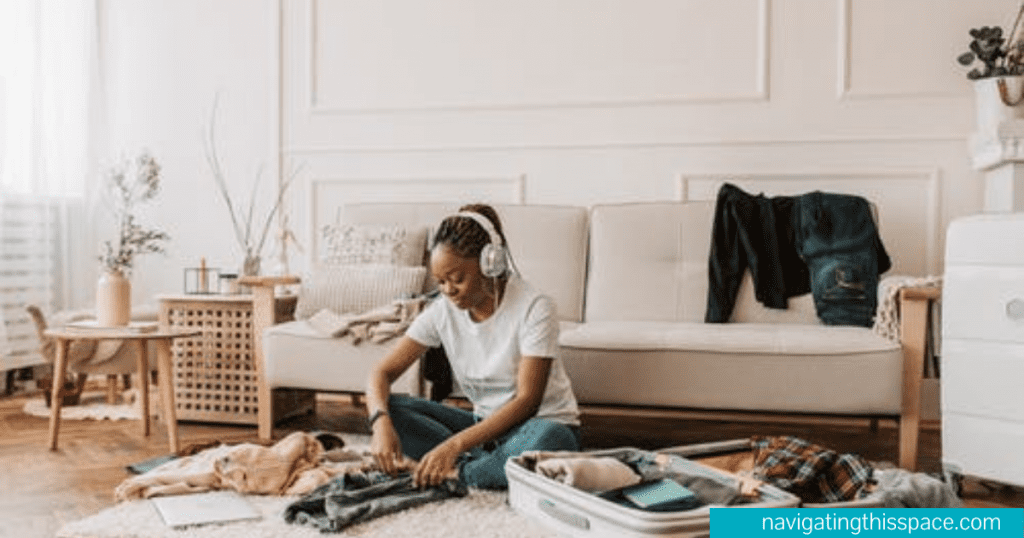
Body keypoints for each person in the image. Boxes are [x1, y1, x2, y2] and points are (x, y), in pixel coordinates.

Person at [365, 203, 581, 489]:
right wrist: (380, 422)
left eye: (457, 279)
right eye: (440, 281)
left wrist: (453, 446)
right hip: (483, 429)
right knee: (390, 408)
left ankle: (459, 473)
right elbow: (380, 373)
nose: (447, 291)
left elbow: (528, 401)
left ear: (490, 263)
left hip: (538, 425)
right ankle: (490, 468)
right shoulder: (442, 310)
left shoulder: (535, 307)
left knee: (551, 439)